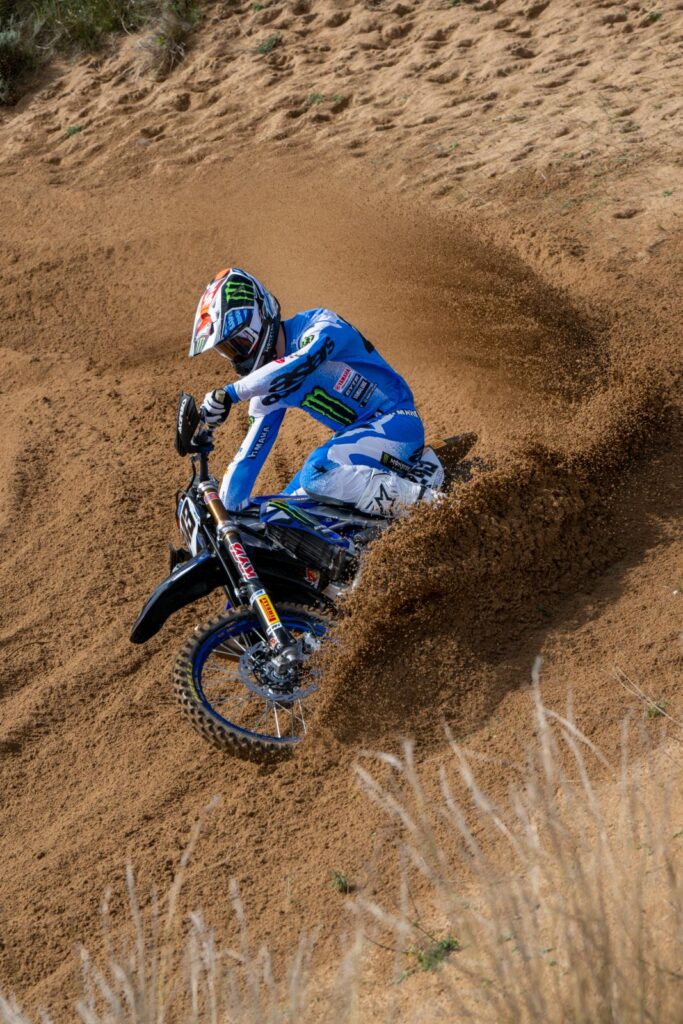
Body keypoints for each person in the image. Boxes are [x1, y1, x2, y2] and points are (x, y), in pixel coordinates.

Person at [189, 267, 443, 517]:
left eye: (239, 342)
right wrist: (224, 513)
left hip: (398, 423)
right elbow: (248, 459)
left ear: (261, 314)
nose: (237, 356)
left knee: (316, 473)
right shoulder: (266, 390)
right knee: (283, 512)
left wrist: (231, 393)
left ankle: (435, 508)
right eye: (228, 351)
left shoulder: (320, 325)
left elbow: (301, 362)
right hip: (359, 442)